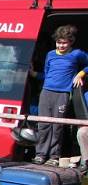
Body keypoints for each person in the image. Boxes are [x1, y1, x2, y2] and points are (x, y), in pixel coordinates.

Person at [30, 24, 88, 166]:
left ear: (71, 42)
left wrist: (81, 73)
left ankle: (54, 156)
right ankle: (40, 154)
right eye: (59, 42)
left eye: (64, 43)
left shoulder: (77, 54)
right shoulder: (50, 54)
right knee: (43, 124)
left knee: (57, 126)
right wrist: (34, 74)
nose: (61, 45)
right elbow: (47, 73)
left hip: (63, 93)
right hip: (46, 91)